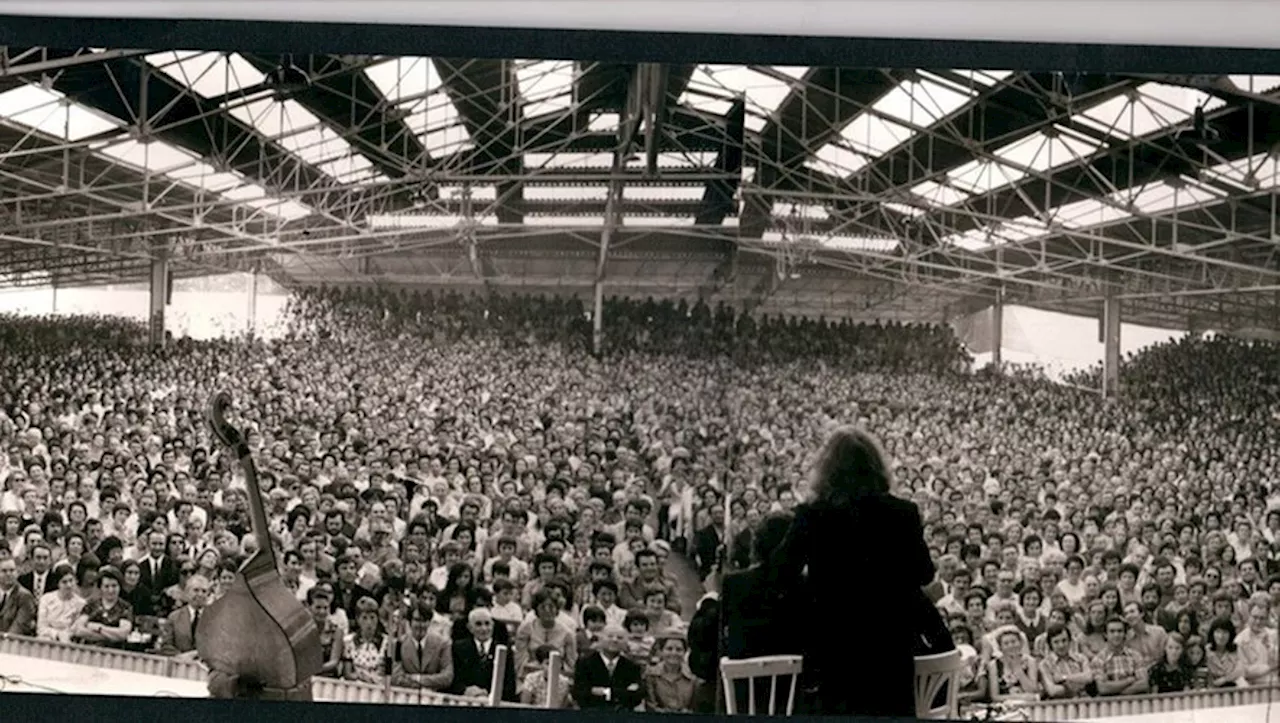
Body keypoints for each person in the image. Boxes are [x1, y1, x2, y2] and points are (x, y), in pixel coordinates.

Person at [767, 426, 935, 716]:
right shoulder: (903, 512)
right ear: (877, 467)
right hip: (890, 647)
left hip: (833, 648)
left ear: (827, 469)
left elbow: (779, 574)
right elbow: (924, 574)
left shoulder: (812, 514)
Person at [571, 624, 644, 711]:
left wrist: (605, 692)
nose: (615, 640)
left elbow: (637, 696)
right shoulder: (585, 663)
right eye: (610, 636)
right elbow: (579, 693)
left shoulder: (632, 666)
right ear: (600, 639)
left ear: (626, 642)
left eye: (620, 638)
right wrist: (622, 692)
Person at [450, 608, 516, 701]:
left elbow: (509, 684)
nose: (484, 628)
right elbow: (453, 679)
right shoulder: (458, 648)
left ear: (493, 625)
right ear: (470, 627)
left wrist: (487, 694)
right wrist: (465, 690)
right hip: (465, 701)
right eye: (478, 624)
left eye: (487, 623)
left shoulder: (504, 650)